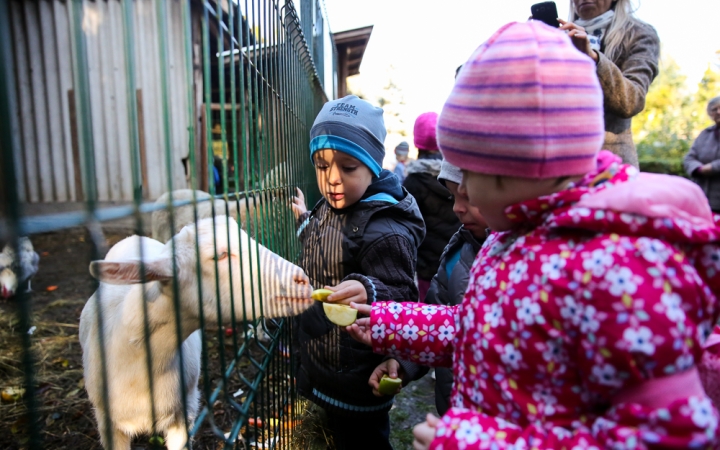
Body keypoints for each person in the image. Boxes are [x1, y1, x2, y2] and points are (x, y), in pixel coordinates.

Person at [347, 22, 720, 449]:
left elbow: (667, 436)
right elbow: (480, 329)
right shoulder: (511, 236)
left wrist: (478, 441)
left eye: (467, 171)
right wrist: (387, 322)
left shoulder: (616, 269)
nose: (462, 190)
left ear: (511, 166)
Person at [290, 95, 426, 450]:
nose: (332, 179)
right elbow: (323, 238)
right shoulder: (330, 206)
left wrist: (369, 288)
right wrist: (305, 220)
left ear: (372, 167)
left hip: (359, 371)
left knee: (363, 441)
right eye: (321, 166)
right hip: (328, 361)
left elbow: (403, 294)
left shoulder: (386, 230)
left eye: (348, 167)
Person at [366, 160, 488, 408]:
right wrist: (405, 362)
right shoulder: (458, 250)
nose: (457, 208)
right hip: (455, 410)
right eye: (453, 197)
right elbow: (439, 319)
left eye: (469, 197)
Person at [558, 0, 659, 168]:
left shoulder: (638, 33)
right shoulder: (559, 36)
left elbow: (631, 101)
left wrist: (594, 58)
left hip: (609, 165)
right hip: (558, 163)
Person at [403, 112, 461, 302]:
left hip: (427, 266)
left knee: (431, 310)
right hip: (461, 260)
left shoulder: (412, 182)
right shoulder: (458, 176)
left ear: (417, 142)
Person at [684, 96, 720, 213]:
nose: (718, 112)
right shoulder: (705, 134)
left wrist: (712, 168)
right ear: (710, 113)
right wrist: (698, 169)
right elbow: (689, 157)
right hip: (702, 198)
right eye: (714, 109)